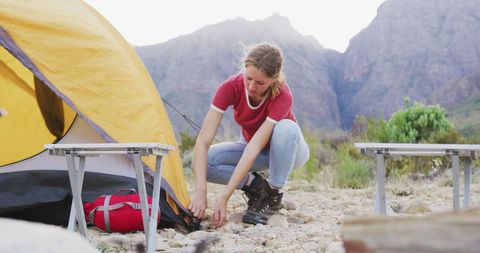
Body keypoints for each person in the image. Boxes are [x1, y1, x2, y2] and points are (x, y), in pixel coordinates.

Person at [188, 42, 310, 227]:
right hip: (252, 146)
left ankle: (273, 196)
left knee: (286, 127)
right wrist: (200, 191)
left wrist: (223, 197)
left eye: (260, 83)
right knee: (203, 162)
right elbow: (203, 140)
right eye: (249, 78)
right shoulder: (229, 87)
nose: (252, 87)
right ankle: (256, 186)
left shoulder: (283, 94)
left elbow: (253, 148)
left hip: (289, 150)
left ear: (274, 78)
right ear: (244, 68)